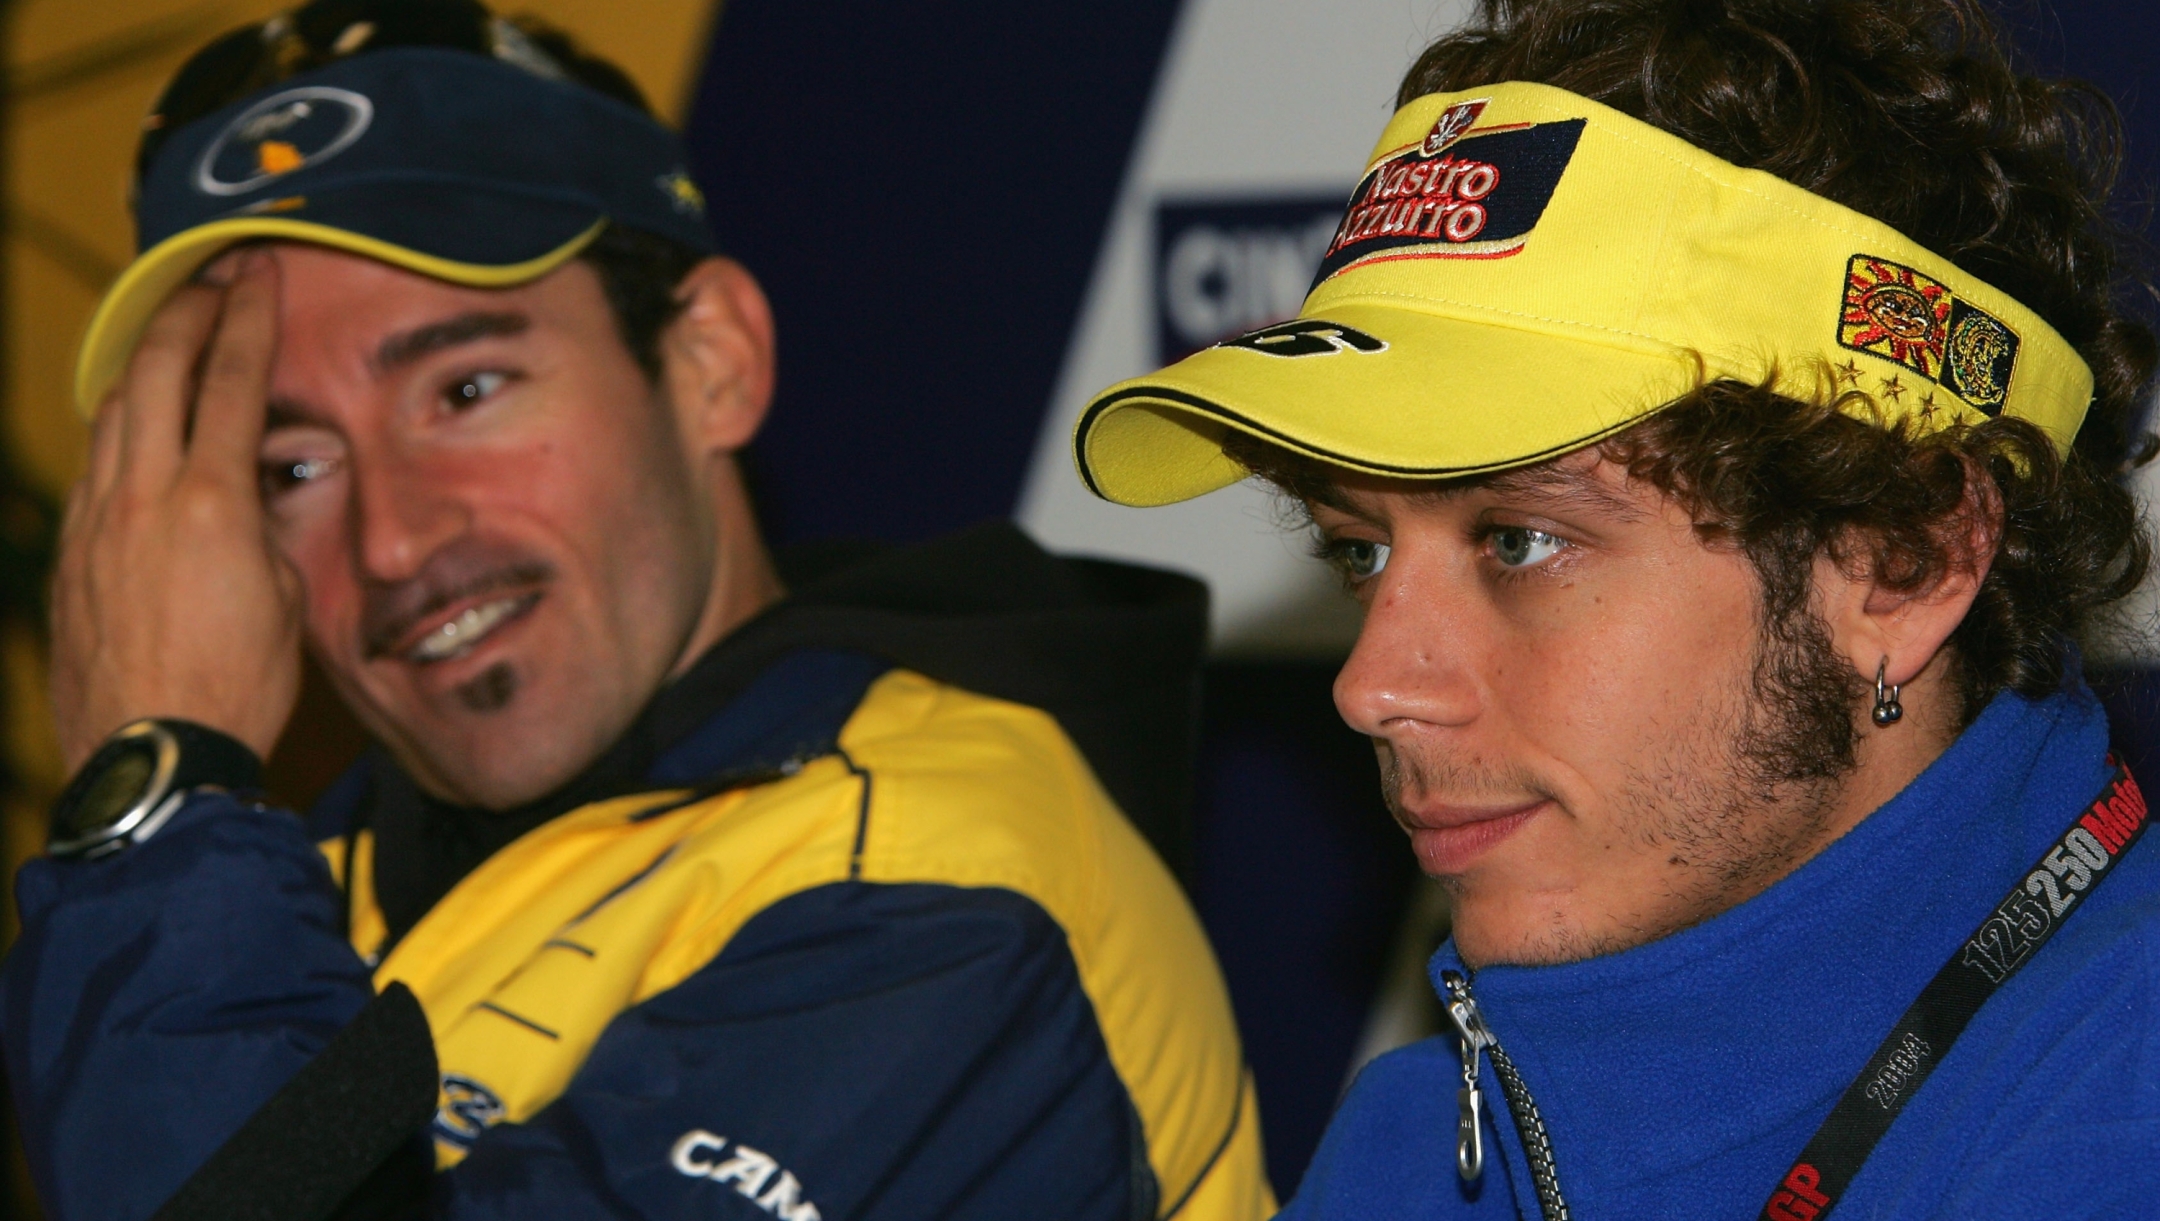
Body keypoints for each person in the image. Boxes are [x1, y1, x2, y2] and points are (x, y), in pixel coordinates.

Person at [1, 2, 1273, 1218]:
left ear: (710, 362)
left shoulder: (941, 894)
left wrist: (155, 800)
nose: (391, 540)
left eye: (467, 389)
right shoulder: (291, 895)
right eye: (293, 468)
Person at [1072, 0, 2160, 1216]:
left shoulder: (2120, 1110)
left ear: (1904, 561)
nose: (1372, 686)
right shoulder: (1411, 1142)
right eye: (1361, 554)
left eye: (1522, 540)